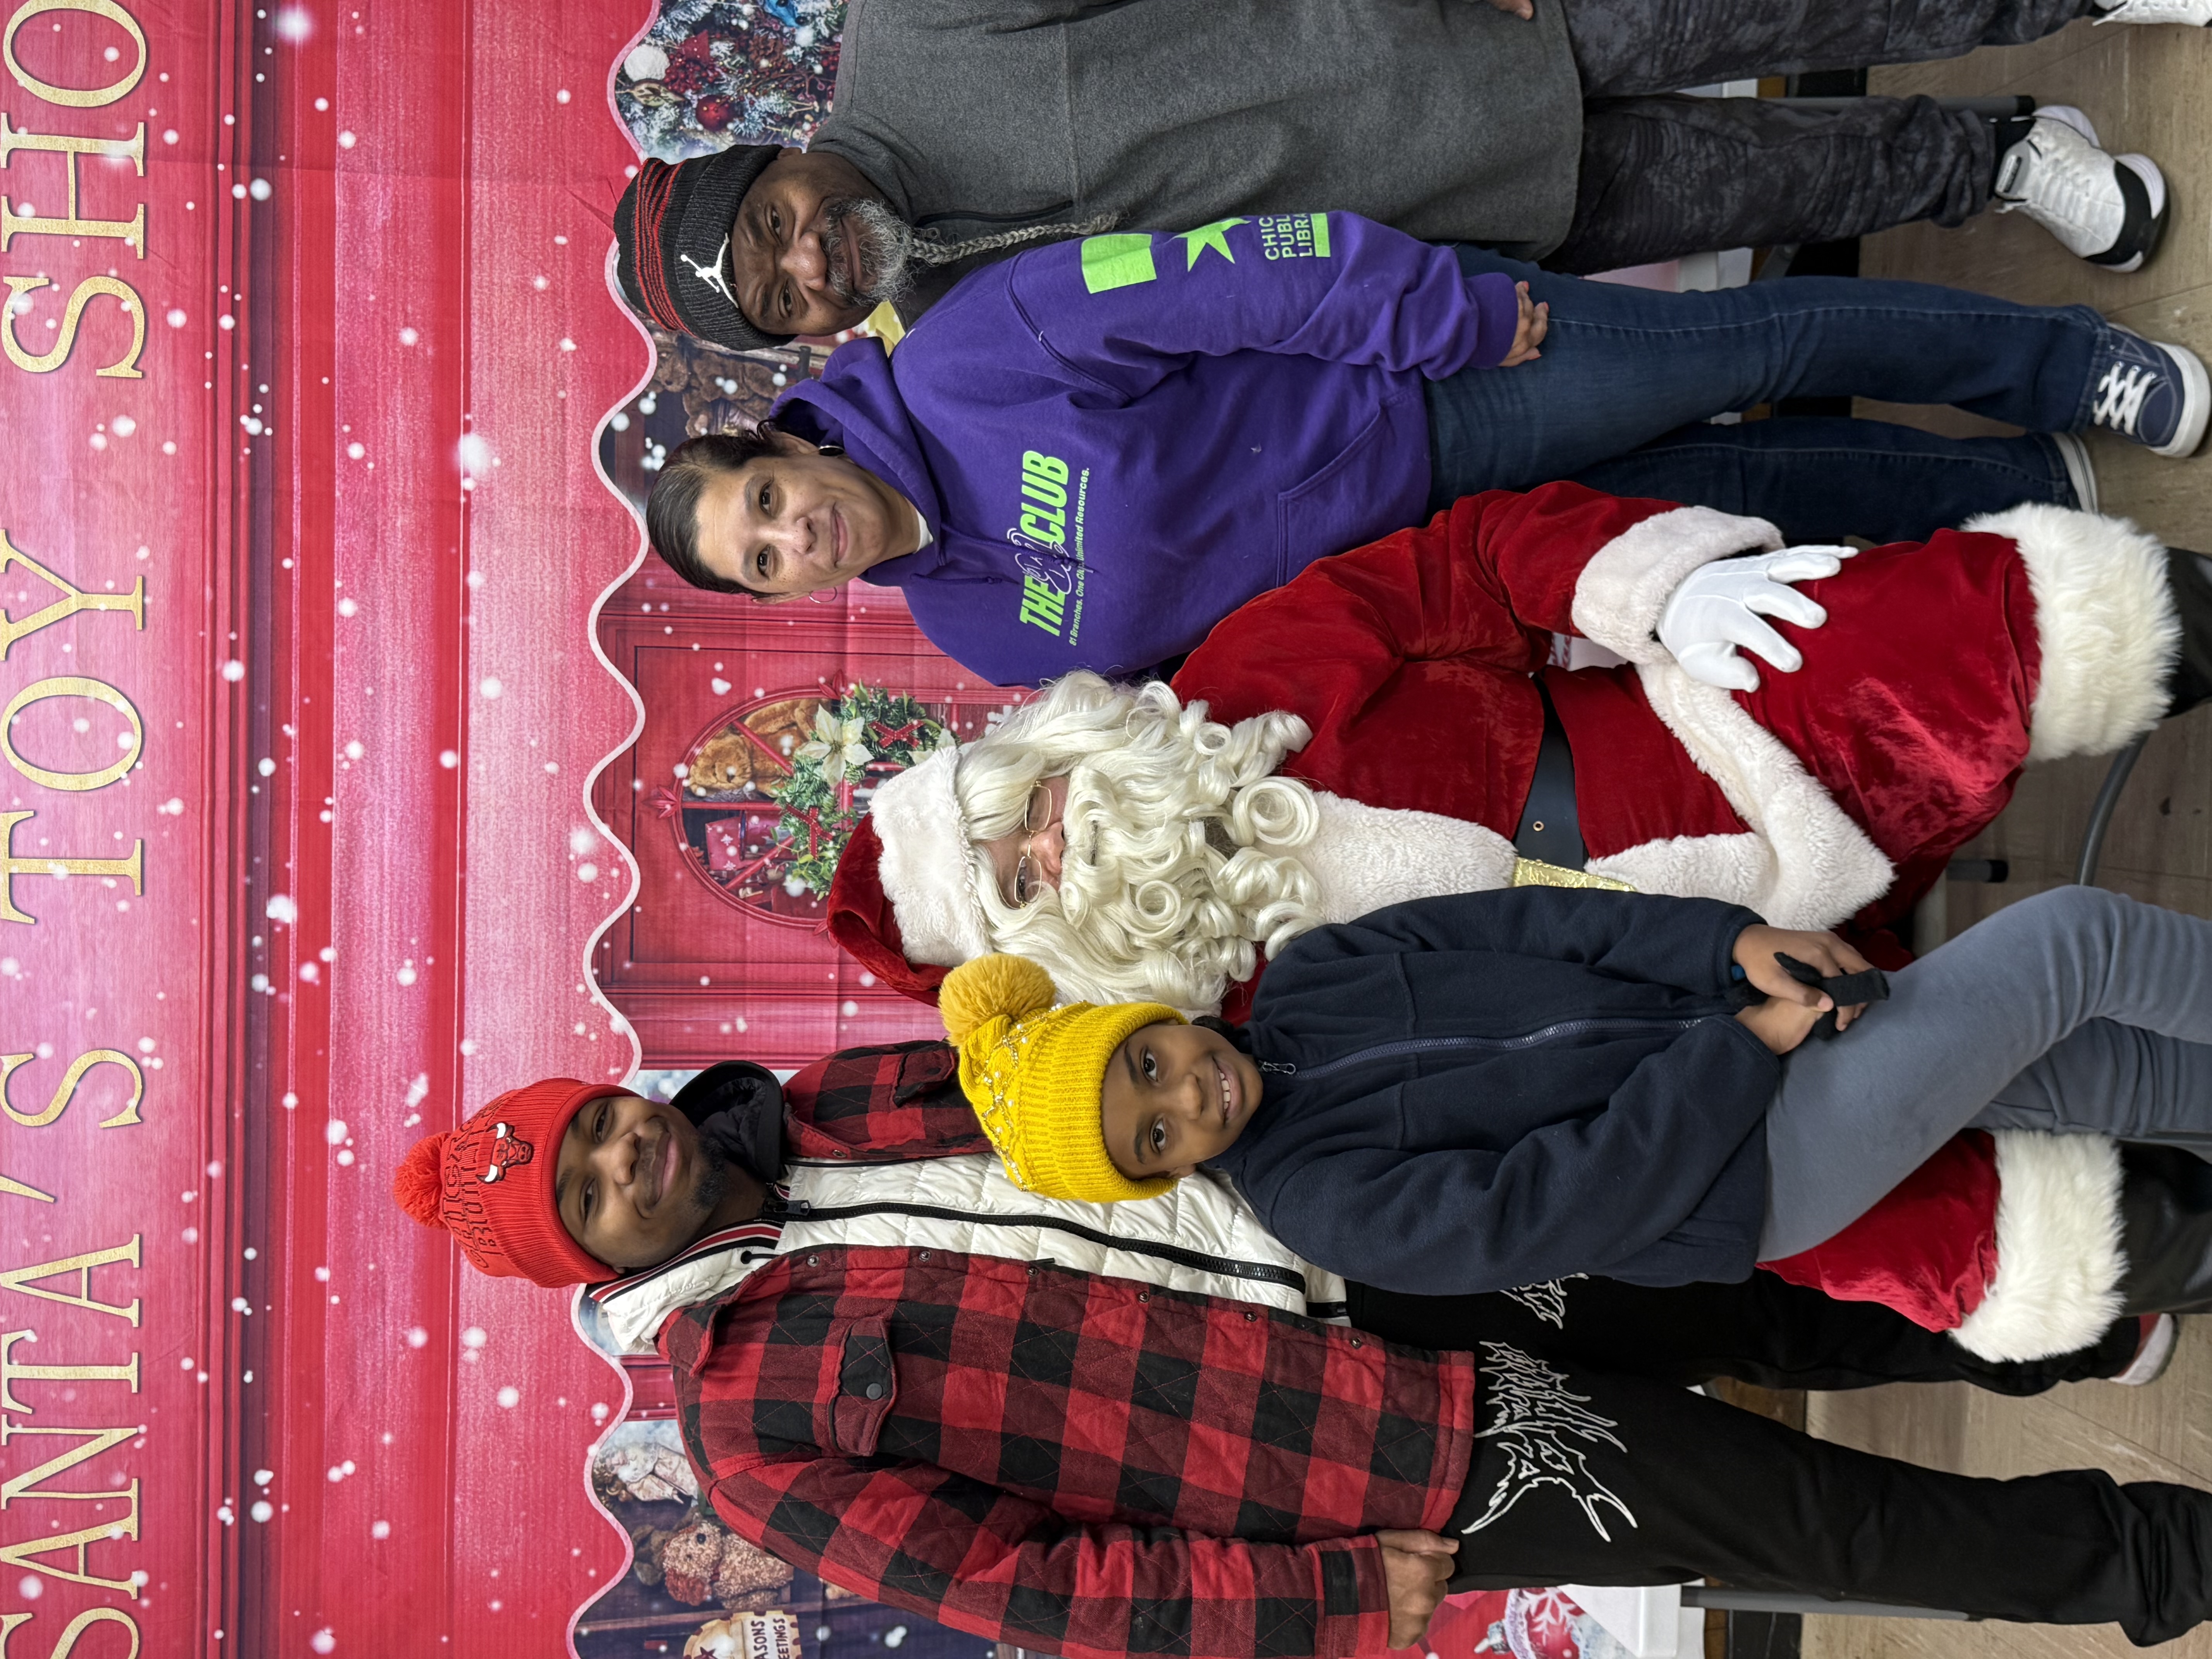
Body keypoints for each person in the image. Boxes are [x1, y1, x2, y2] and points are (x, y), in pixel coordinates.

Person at [395, 1054, 2212, 1655]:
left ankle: (2079, 1319)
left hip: (1391, 1233)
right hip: (1371, 1454)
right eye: (585, 1190)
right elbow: (1044, 1594)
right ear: (588, 1262)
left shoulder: (832, 1101)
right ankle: (2162, 1567)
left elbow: (1115, 1077)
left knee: (1770, 1272)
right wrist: (1336, 1605)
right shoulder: (748, 1435)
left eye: (593, 1124)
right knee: (1823, 1522)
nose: (624, 1154)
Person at [632, 211, 2205, 685]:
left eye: (764, 501)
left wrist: (1440, 317)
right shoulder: (975, 631)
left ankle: (2070, 369)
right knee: (1748, 502)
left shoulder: (968, 358)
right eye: (762, 564)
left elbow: (1229, 273)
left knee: (1763, 346)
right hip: (1452, 557)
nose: (792, 536)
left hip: (1440, 385)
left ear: (780, 439)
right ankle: (2022, 491)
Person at [610, 1, 2191, 351]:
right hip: (1464, 224)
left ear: (774, 153)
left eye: (770, 227)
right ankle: (1998, 156)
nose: (809, 263)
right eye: (775, 299)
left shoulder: (916, 32)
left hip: (1468, 19)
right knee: (1770, 184)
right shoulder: (965, 325)